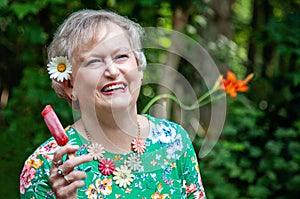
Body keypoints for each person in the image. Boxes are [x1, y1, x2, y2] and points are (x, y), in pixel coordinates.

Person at [19, 9, 206, 199]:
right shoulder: (43, 166)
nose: (112, 71)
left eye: (121, 56)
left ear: (139, 70)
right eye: (94, 61)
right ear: (69, 85)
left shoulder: (174, 141)